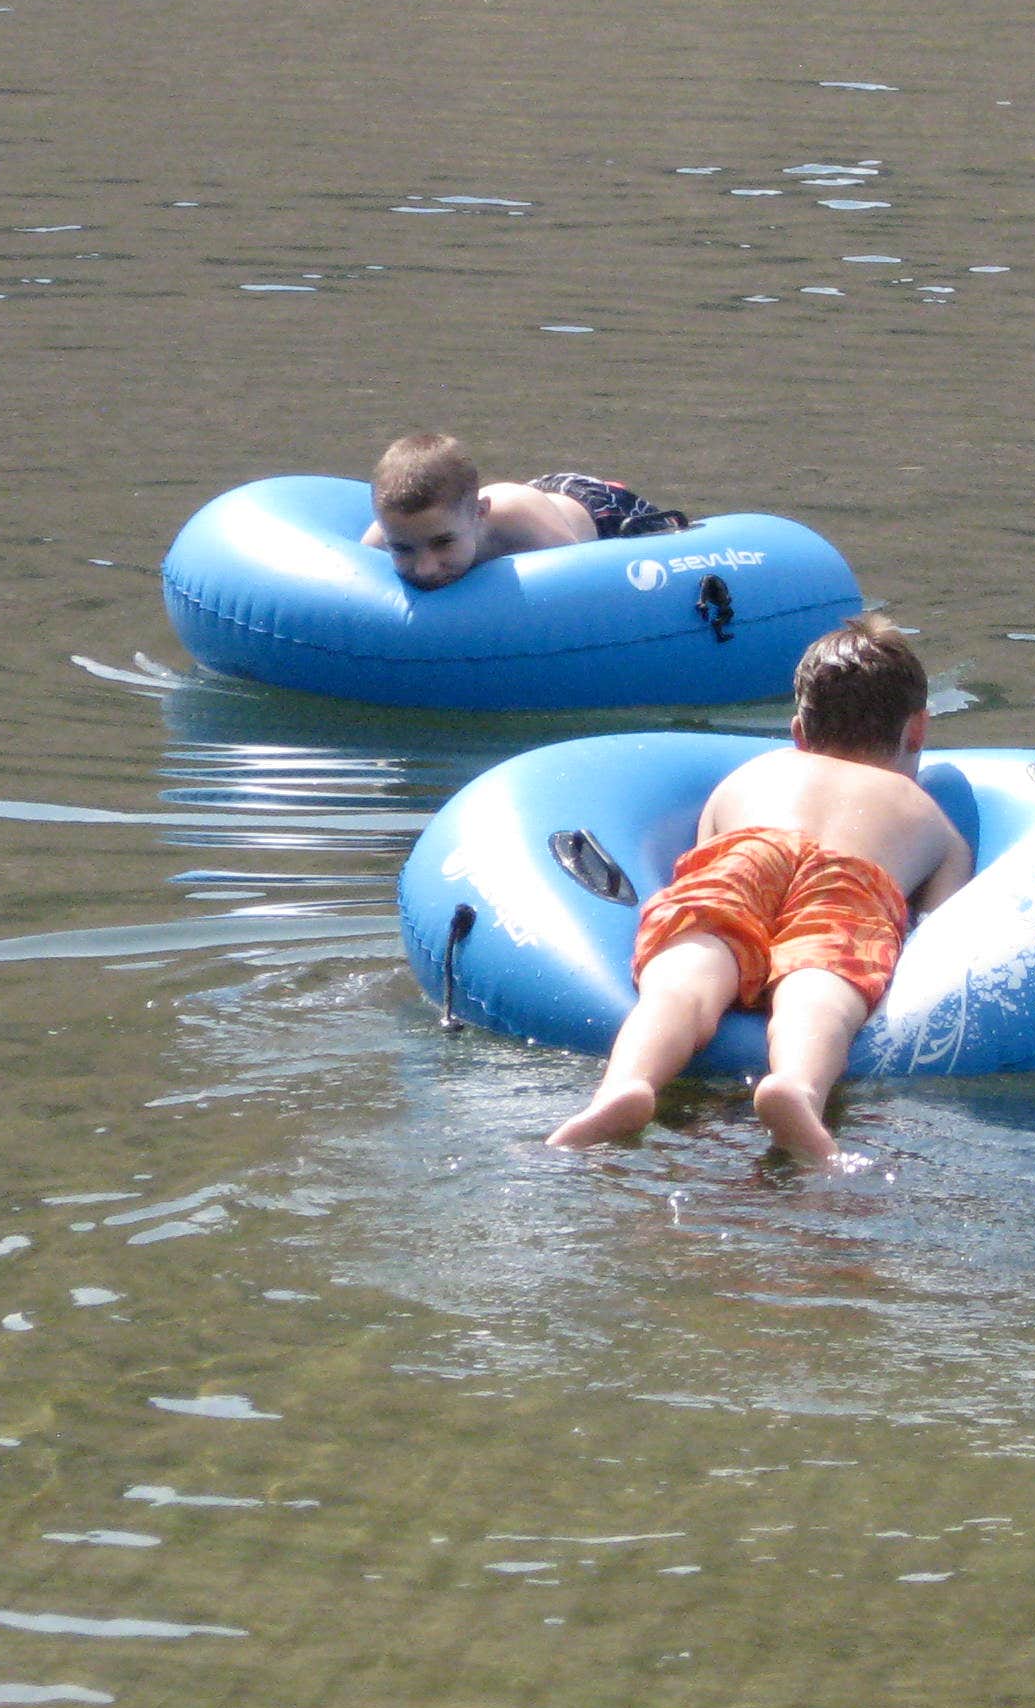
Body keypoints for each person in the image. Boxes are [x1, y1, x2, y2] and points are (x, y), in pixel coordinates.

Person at [547, 615, 971, 1162]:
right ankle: (795, 1087)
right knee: (821, 995)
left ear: (799, 732)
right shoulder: (931, 818)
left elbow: (699, 869)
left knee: (684, 981)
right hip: (851, 878)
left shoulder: (750, 776)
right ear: (917, 730)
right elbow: (945, 933)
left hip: (748, 856)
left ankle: (626, 1085)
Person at [361, 428, 686, 590]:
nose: (425, 569)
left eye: (443, 543)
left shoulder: (525, 526)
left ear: (479, 514)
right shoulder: (396, 526)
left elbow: (584, 585)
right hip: (529, 492)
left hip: (598, 511)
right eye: (402, 549)